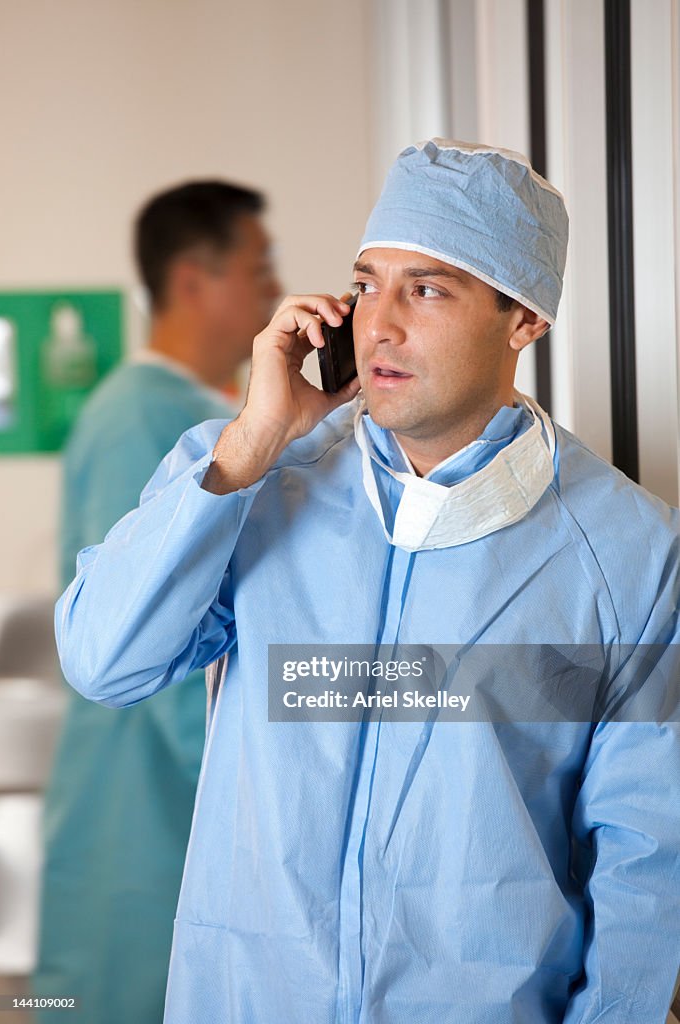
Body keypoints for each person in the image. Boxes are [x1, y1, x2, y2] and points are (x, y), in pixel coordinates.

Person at [54, 142, 680, 1023]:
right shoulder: (251, 481)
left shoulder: (628, 554)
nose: (377, 324)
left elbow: (646, 867)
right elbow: (103, 661)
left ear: (523, 321)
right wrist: (253, 441)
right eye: (365, 283)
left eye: (425, 290)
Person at [34, 181, 280, 1024]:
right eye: (258, 266)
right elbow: (139, 631)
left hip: (164, 801)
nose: (275, 290)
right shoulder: (140, 416)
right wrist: (258, 798)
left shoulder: (203, 414)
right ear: (190, 281)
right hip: (148, 810)